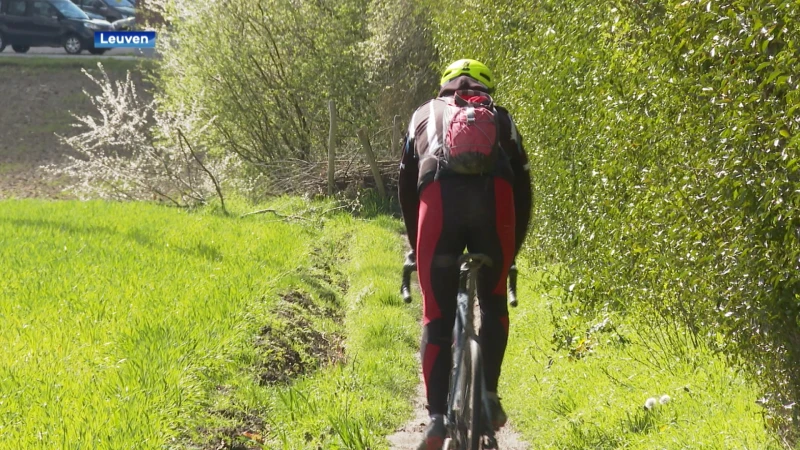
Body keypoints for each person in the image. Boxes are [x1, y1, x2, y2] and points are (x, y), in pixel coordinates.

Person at [398, 59, 533, 450]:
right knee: (493, 306)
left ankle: (438, 420)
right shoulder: (501, 119)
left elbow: (407, 185)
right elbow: (523, 189)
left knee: (435, 314)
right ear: (488, 89)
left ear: (443, 87)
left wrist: (414, 242)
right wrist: (511, 253)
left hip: (438, 206)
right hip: (497, 208)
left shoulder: (423, 115)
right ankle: (488, 396)